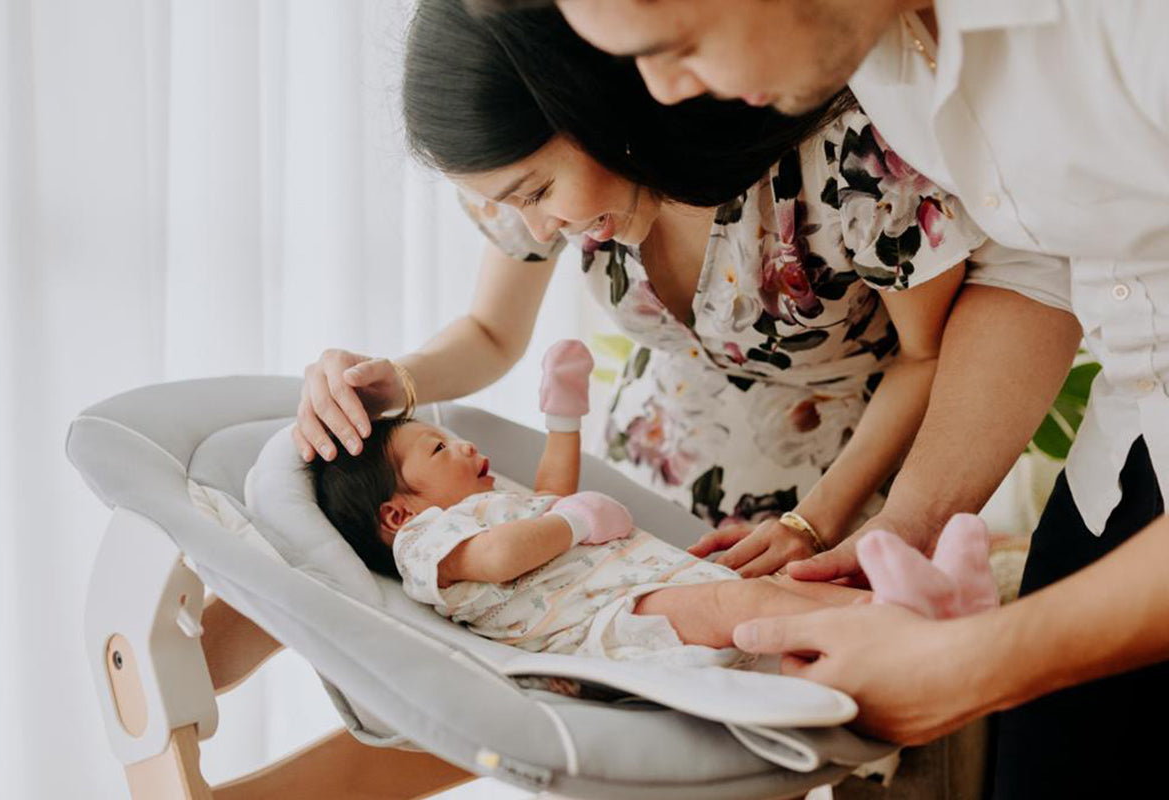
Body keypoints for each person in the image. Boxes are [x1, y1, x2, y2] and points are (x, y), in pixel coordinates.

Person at [480, 0, 1169, 795]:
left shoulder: (1129, 28)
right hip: (1123, 452)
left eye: (678, 45)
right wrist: (905, 525)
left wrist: (976, 664)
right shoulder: (881, 62)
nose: (661, 94)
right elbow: (1033, 270)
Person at [295, 0, 988, 582]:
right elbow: (491, 332)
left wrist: (816, 522)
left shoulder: (851, 159)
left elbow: (930, 357)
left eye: (537, 190)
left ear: (593, 103)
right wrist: (395, 382)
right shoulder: (546, 201)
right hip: (645, 476)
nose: (538, 225)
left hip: (854, 486)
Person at [308, 340, 995, 665]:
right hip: (607, 626)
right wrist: (573, 522)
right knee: (743, 604)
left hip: (650, 586)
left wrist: (564, 418)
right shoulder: (428, 544)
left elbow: (550, 494)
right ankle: (914, 633)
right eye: (436, 450)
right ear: (398, 513)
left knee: (781, 587)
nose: (461, 449)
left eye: (451, 438)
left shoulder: (487, 504)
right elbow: (498, 558)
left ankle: (925, 607)